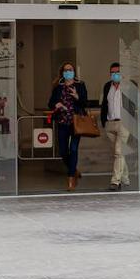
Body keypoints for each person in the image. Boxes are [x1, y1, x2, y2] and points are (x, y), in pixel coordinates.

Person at [48, 62, 88, 192]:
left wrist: (77, 96)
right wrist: (57, 104)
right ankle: (74, 170)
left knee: (74, 149)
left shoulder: (80, 85)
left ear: (74, 72)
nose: (68, 72)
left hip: (76, 122)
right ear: (62, 73)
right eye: (65, 70)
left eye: (70, 70)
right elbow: (50, 103)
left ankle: (71, 179)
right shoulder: (58, 87)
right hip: (62, 122)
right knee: (63, 151)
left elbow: (84, 103)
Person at [99, 62, 131, 192]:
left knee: (119, 152)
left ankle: (115, 181)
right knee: (119, 154)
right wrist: (104, 122)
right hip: (110, 123)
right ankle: (125, 177)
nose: (115, 74)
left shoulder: (128, 86)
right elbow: (104, 104)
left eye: (117, 72)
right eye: (112, 72)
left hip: (124, 123)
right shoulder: (107, 86)